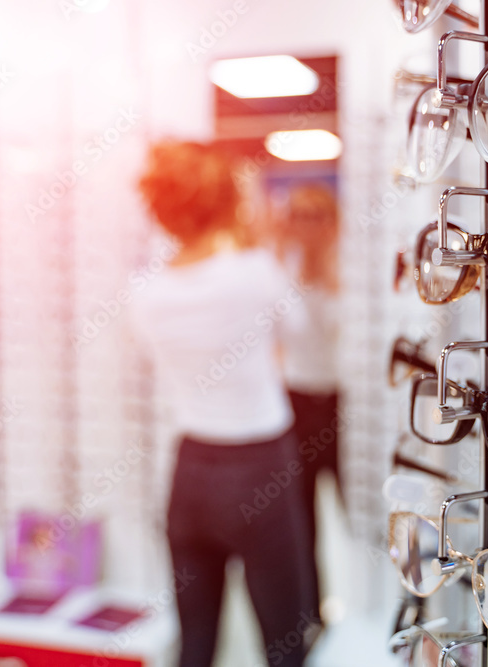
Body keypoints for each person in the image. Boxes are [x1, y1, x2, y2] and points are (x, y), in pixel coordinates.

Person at [130, 140, 319, 667]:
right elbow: (298, 333)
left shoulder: (145, 294)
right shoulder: (256, 273)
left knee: (195, 642)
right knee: (284, 640)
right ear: (229, 203)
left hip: (191, 474)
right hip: (262, 467)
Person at [272, 183, 343, 613]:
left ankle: (369, 606)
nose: (309, 225)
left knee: (357, 505)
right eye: (300, 215)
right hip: (296, 402)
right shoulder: (281, 268)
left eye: (318, 215)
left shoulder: (348, 269)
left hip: (341, 402)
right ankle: (309, 609)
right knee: (301, 517)